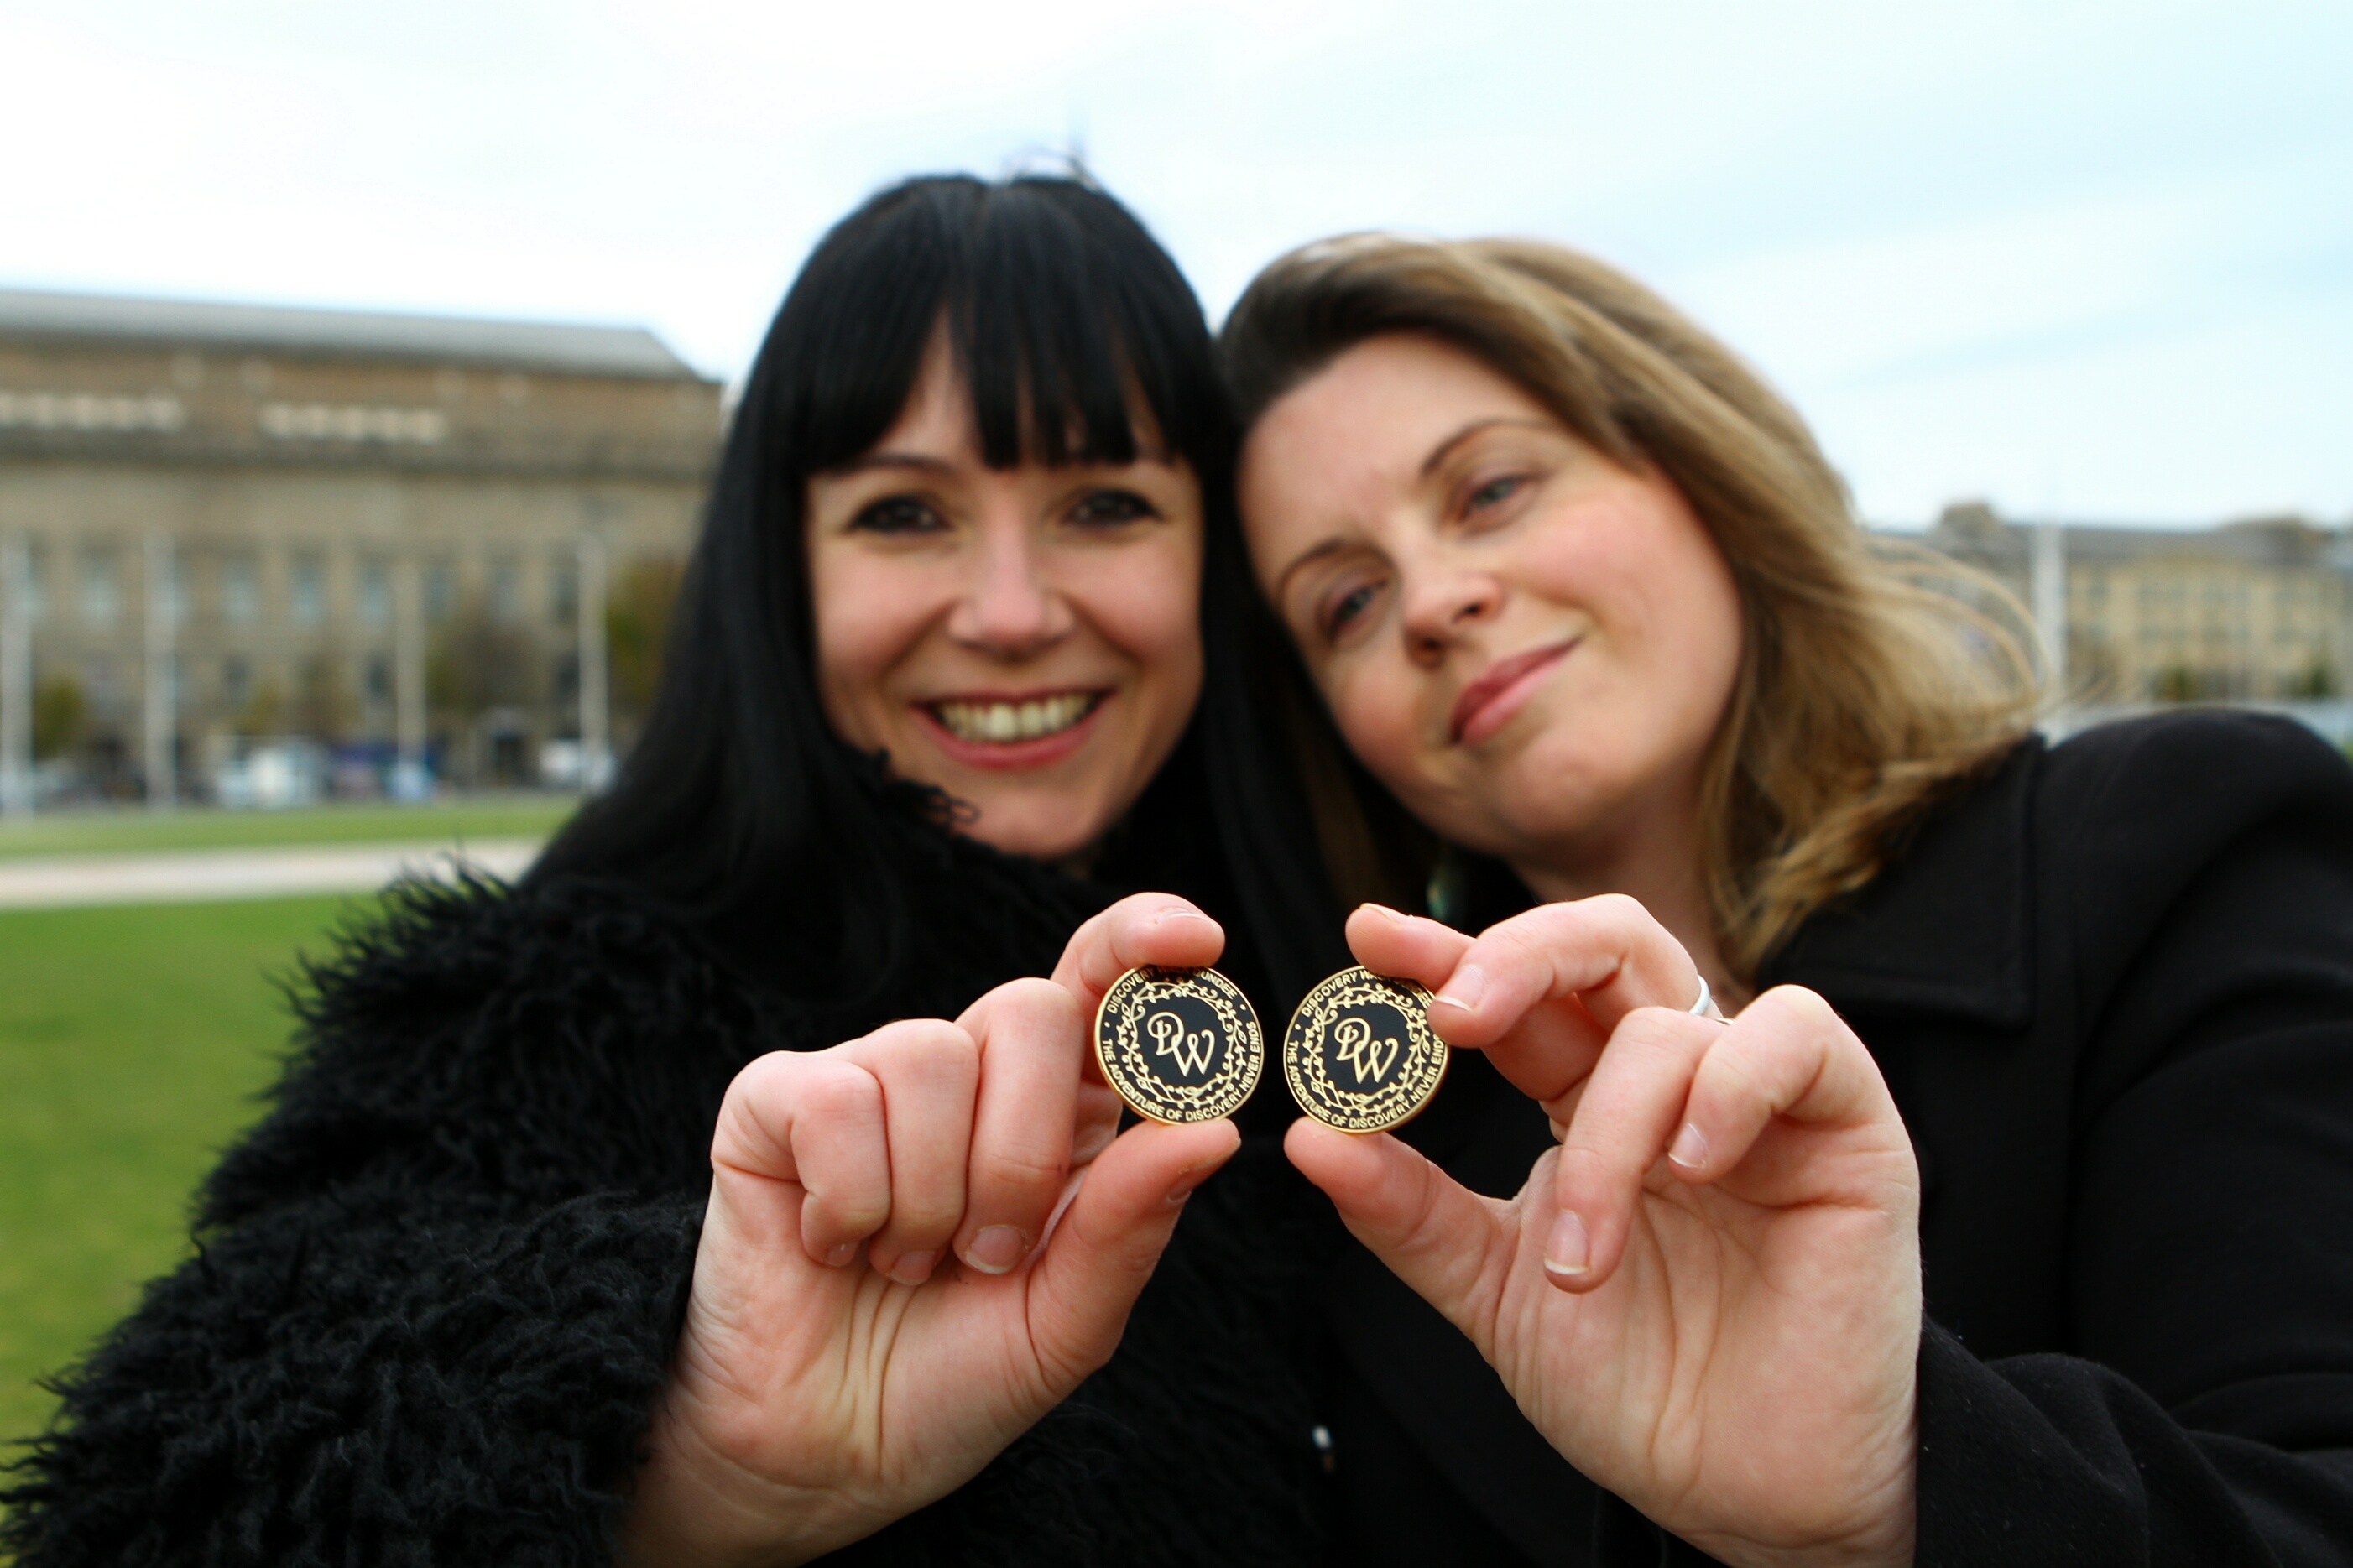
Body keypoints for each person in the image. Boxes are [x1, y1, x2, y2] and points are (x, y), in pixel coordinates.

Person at [0, 174, 1333, 1566]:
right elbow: (177, 1493)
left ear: (1211, 561)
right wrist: (687, 1455)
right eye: (903, 514)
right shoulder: (553, 1018)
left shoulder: (1338, 1002)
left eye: (1106, 502)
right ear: (782, 564)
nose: (1009, 611)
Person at [1218, 233, 2353, 1565]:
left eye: (1492, 490)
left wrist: (1899, 1498)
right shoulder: (1383, 1180)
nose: (1432, 600)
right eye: (1346, 599)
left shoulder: (2170, 854)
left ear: (1696, 467)